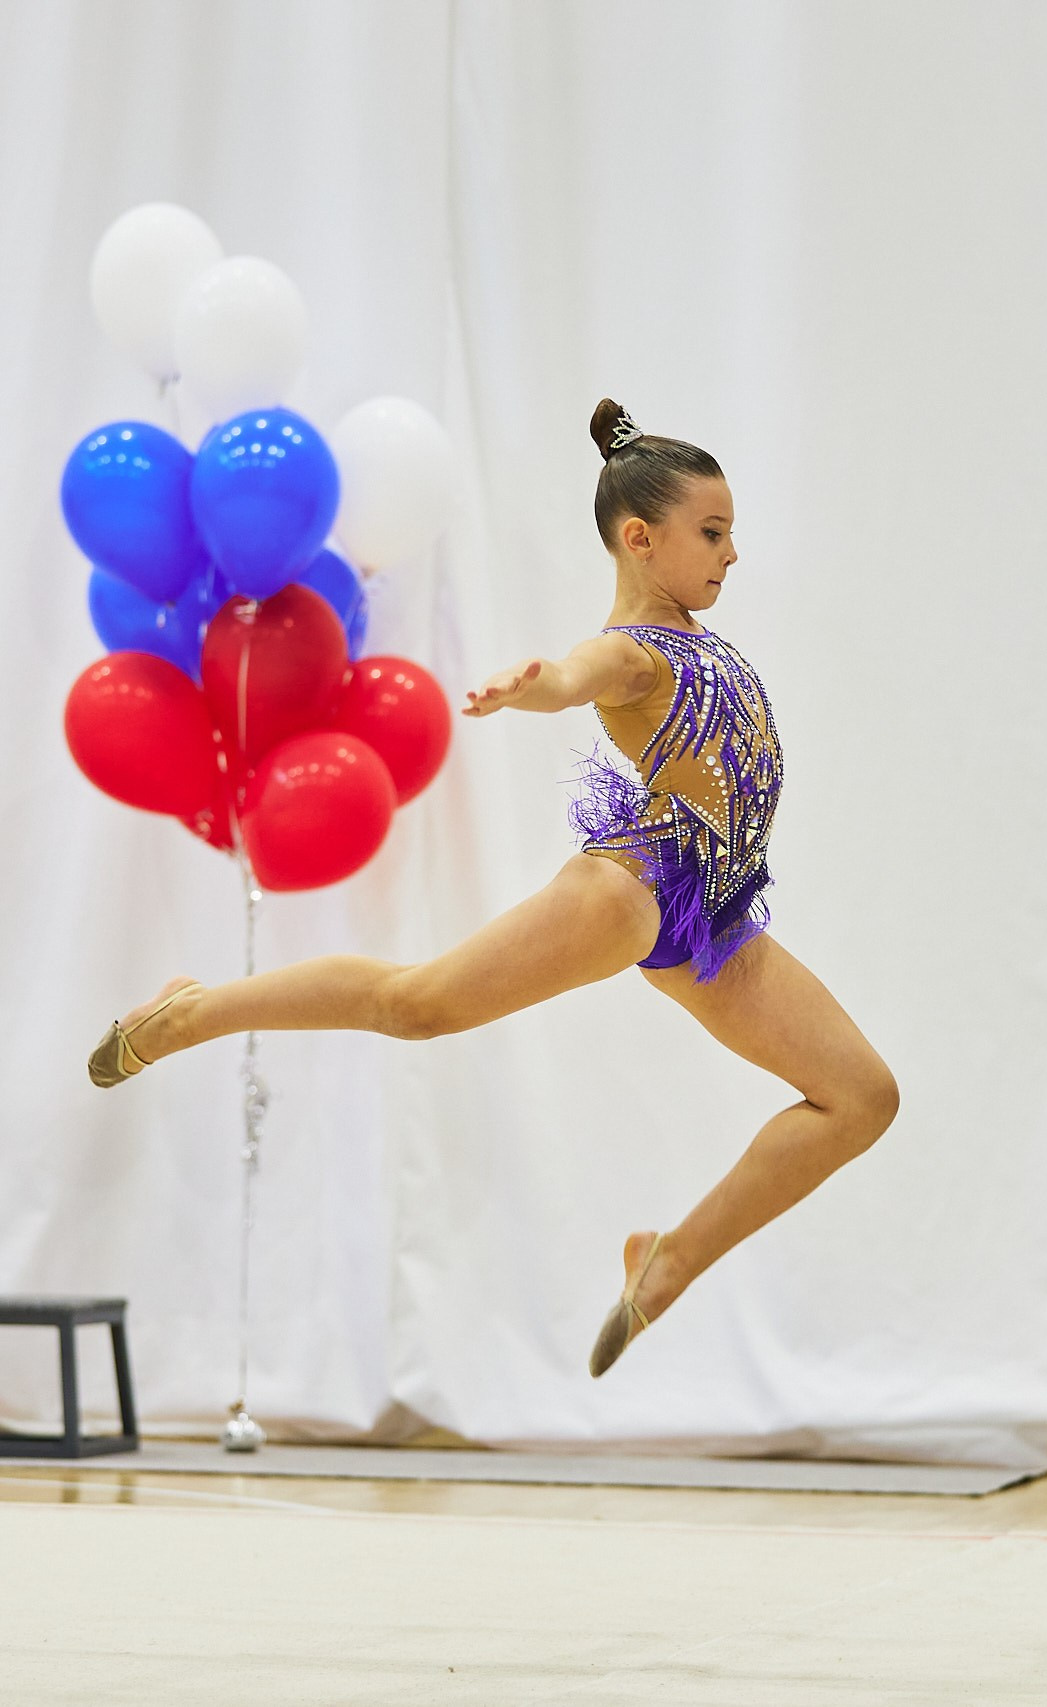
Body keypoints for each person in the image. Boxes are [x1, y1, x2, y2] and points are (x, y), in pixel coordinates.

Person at [90, 399, 897, 1376]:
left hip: (712, 911)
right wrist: (542, 683)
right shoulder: (637, 650)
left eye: (732, 534)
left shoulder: (694, 636)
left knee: (858, 1097)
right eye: (713, 534)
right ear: (640, 540)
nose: (732, 554)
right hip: (636, 884)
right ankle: (191, 1011)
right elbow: (582, 670)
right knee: (416, 1005)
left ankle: (670, 1260)